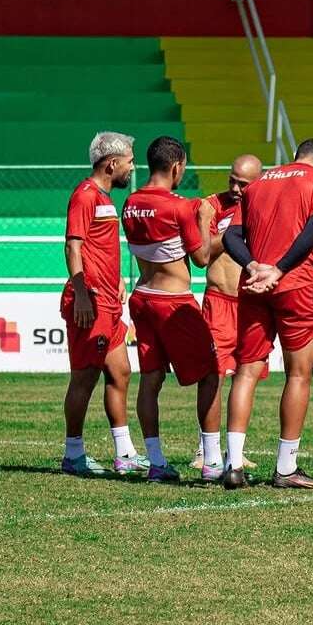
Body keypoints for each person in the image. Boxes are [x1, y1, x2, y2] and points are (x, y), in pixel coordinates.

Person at [221, 139, 313, 490]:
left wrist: (254, 264)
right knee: (299, 374)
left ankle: (233, 464)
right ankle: (286, 467)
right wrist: (280, 269)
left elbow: (231, 236)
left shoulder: (259, 183)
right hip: (294, 285)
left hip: (253, 283)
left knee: (246, 371)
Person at [122, 137, 220, 483]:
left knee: (150, 379)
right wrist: (216, 225)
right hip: (173, 301)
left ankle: (157, 463)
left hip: (142, 297)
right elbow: (202, 257)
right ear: (177, 166)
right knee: (210, 374)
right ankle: (211, 462)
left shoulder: (131, 202)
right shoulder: (179, 207)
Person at [60, 131, 146, 477]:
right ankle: (73, 454)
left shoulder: (105, 198)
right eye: (129, 161)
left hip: (109, 302)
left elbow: (99, 247)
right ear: (112, 164)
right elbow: (73, 246)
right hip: (91, 303)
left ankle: (125, 454)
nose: (132, 167)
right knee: (85, 378)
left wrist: (118, 278)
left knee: (121, 372)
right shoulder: (85, 196)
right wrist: (82, 294)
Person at [189, 154, 264, 473]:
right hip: (219, 303)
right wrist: (233, 233)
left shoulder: (265, 203)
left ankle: (236, 450)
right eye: (231, 179)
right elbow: (202, 256)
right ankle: (204, 449)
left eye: (243, 184)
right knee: (212, 378)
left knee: (247, 378)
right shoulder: (211, 206)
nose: (234, 187)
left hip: (251, 304)